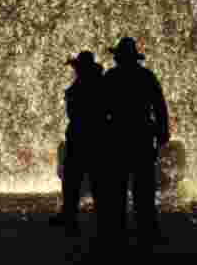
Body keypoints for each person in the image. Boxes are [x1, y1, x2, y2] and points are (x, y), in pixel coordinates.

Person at [99, 37, 170, 244]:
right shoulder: (146, 76)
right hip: (142, 136)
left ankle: (117, 230)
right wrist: (162, 132)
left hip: (118, 137)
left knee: (117, 187)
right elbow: (160, 107)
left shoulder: (111, 77)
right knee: (144, 187)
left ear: (119, 58)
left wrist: (102, 135)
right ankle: (147, 229)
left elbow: (101, 109)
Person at [50, 51, 105, 235]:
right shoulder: (100, 82)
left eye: (77, 67)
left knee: (74, 180)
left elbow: (75, 111)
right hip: (95, 138)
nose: (75, 70)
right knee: (95, 179)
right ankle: (103, 218)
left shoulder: (86, 84)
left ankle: (70, 216)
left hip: (82, 138)